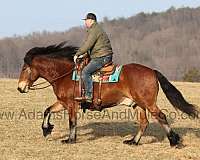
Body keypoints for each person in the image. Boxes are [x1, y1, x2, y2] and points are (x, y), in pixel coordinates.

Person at [74, 13, 113, 103]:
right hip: (102, 55)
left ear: (91, 20)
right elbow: (91, 46)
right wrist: (84, 55)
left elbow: (88, 44)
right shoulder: (95, 29)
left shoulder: (94, 30)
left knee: (85, 72)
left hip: (101, 57)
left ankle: (88, 95)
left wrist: (78, 54)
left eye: (86, 20)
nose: (85, 23)